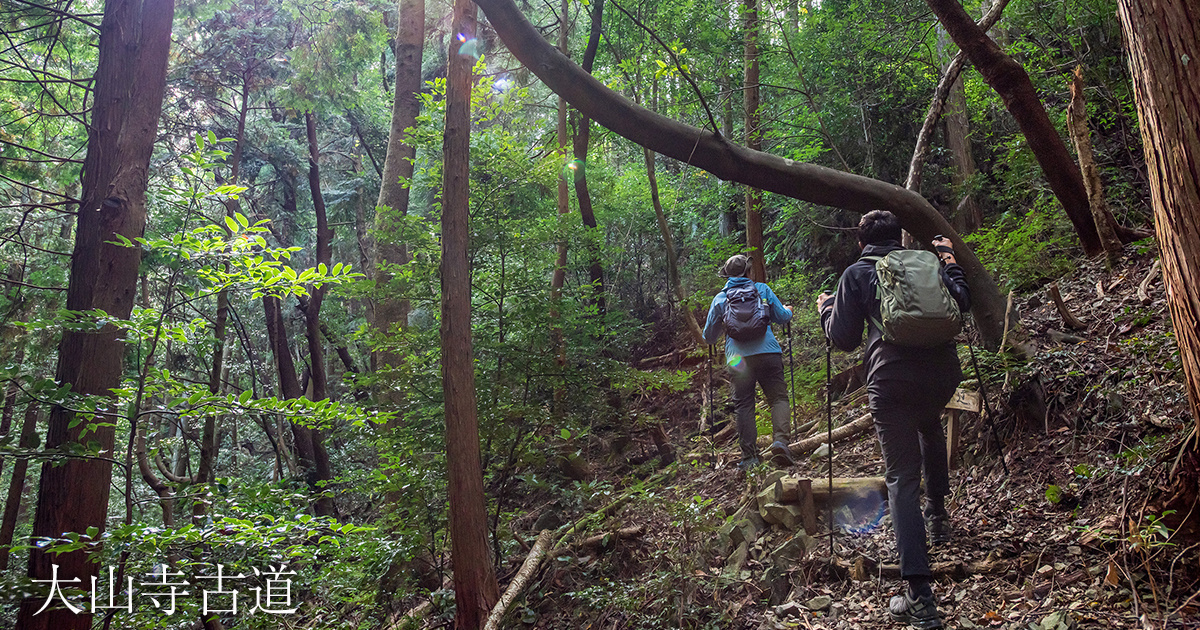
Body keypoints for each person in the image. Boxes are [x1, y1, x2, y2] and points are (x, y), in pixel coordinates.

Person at [817, 210, 970, 629]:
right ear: (899, 238)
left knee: (902, 478)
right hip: (941, 374)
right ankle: (938, 516)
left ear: (861, 242)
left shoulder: (857, 273)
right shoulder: (925, 263)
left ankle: (920, 596)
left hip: (891, 379)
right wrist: (950, 260)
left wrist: (826, 310)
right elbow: (963, 303)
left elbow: (844, 338)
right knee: (930, 426)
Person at [703, 254, 795, 471]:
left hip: (737, 359)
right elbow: (781, 317)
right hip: (768, 353)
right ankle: (781, 443)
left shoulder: (720, 299)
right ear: (748, 272)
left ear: (727, 276)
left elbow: (709, 337)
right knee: (778, 398)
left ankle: (749, 459)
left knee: (744, 405)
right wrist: (789, 311)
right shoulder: (762, 290)